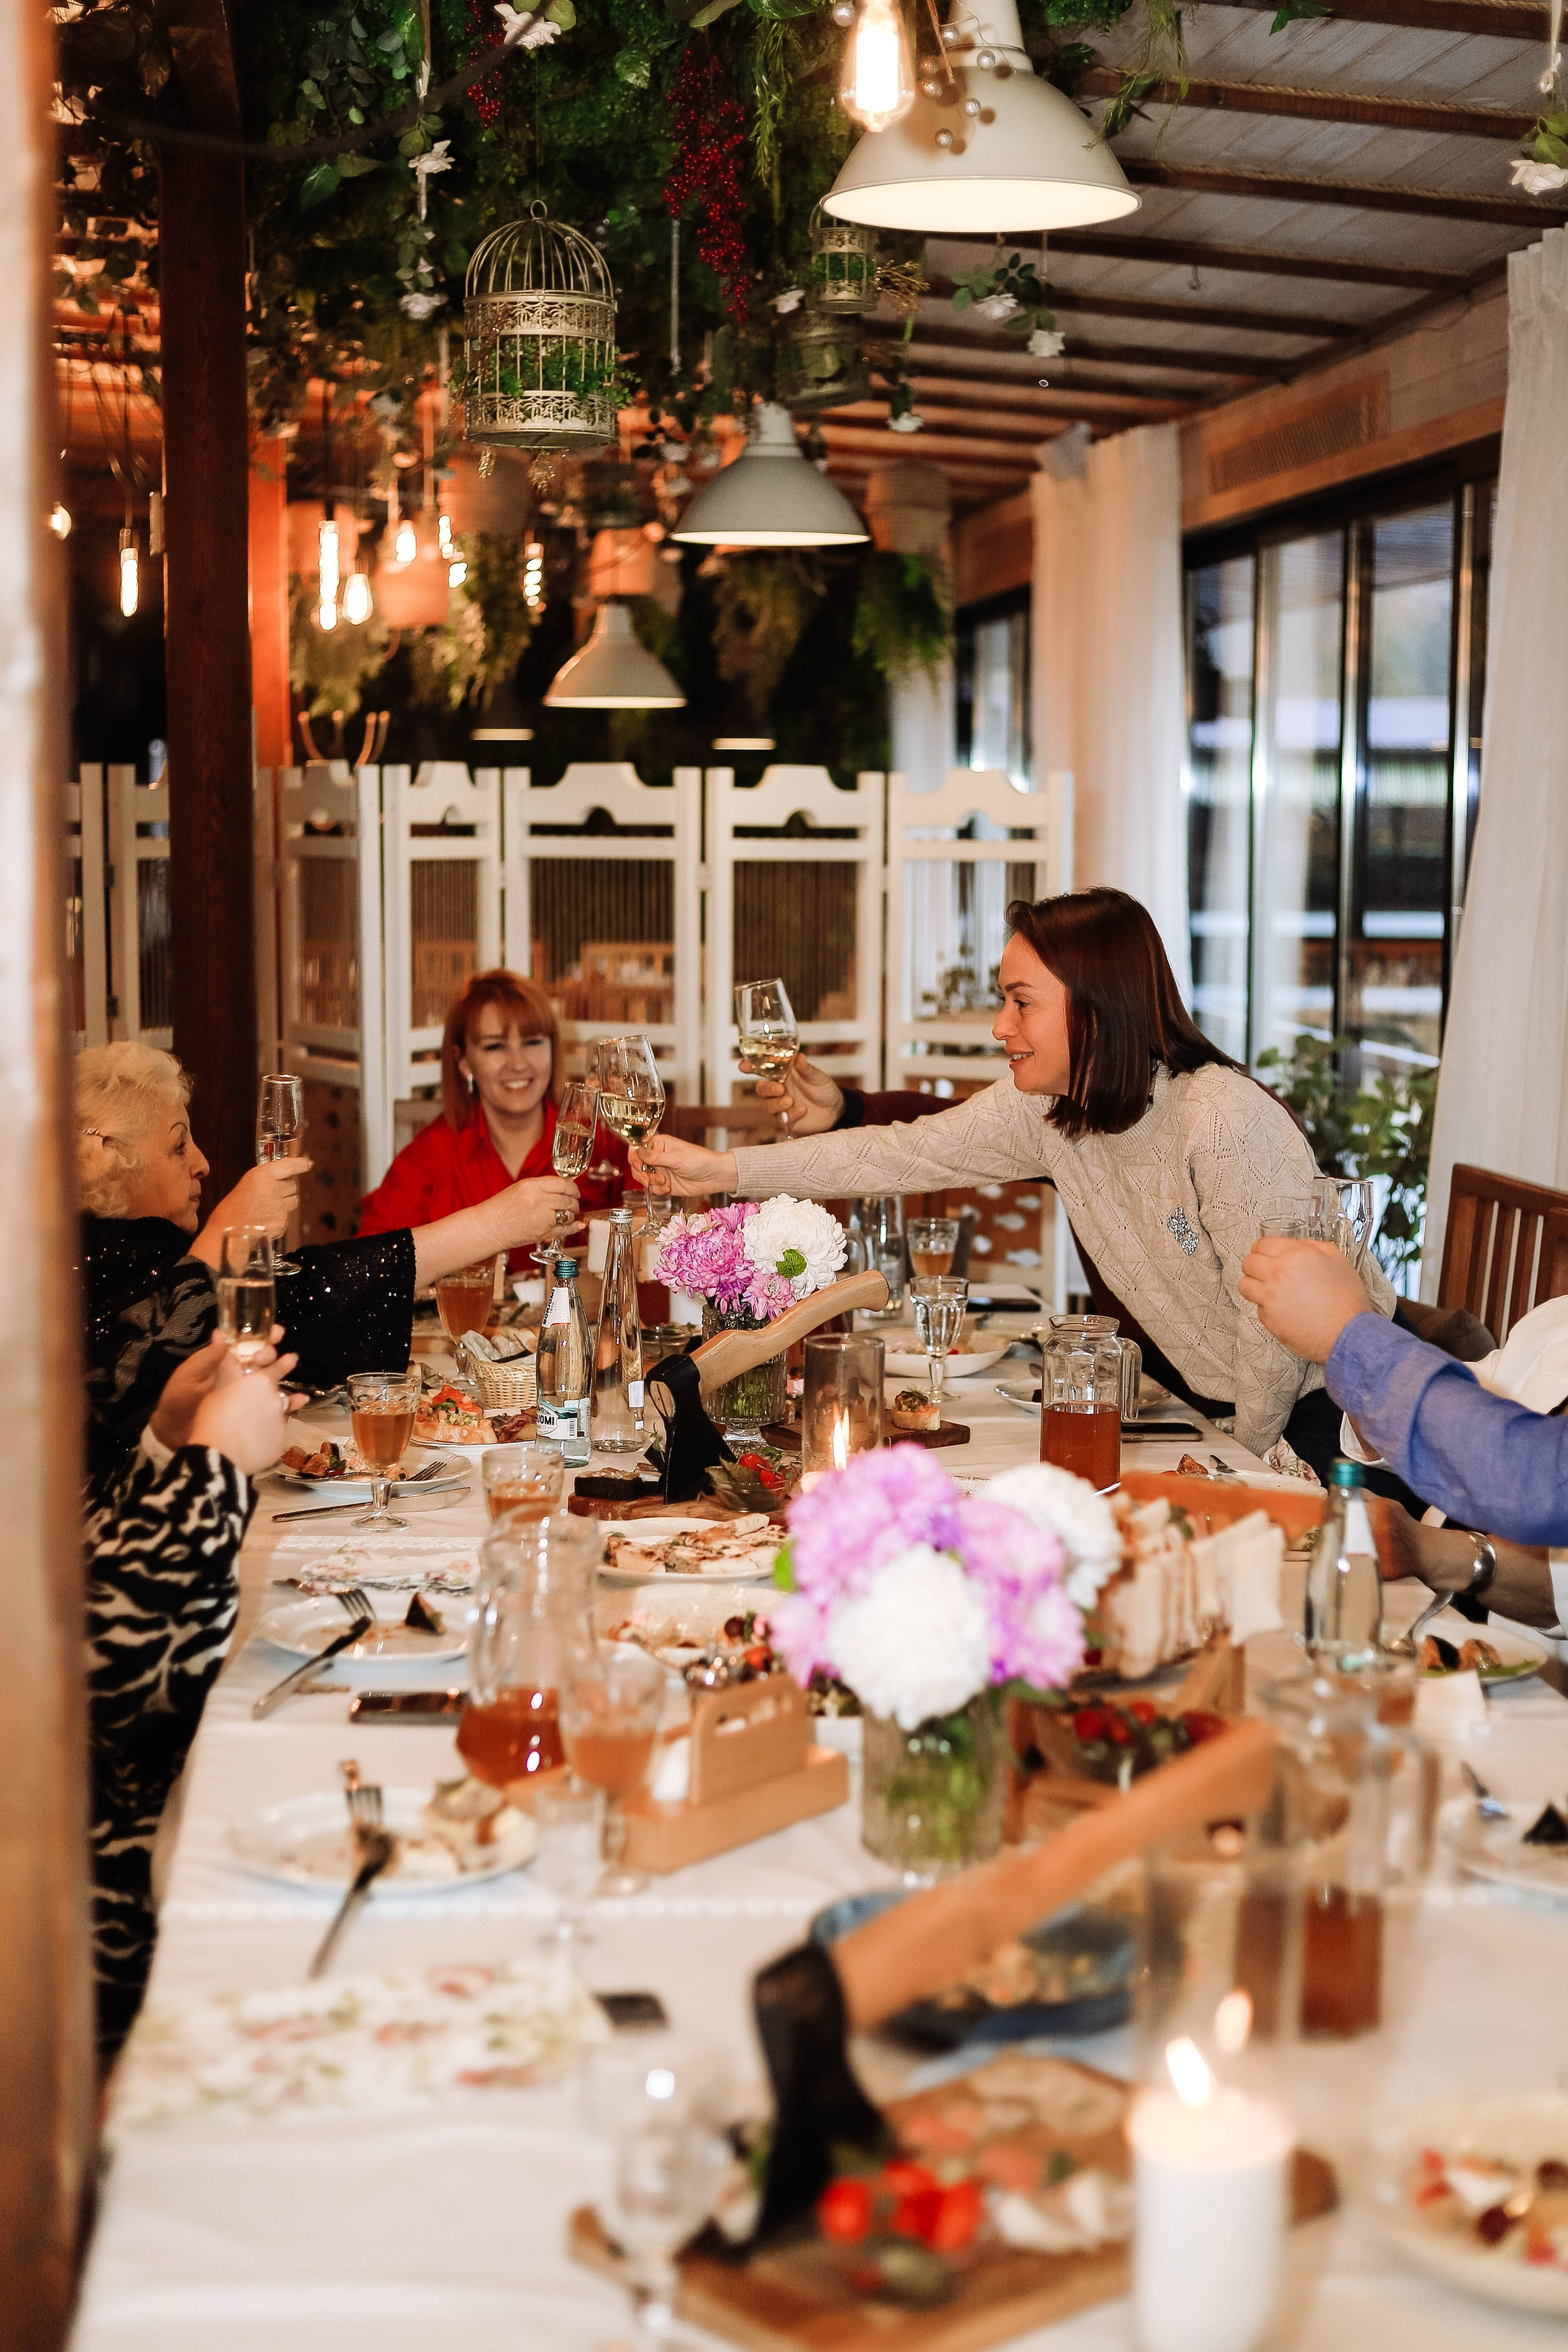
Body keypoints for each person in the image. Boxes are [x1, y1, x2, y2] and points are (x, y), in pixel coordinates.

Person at [635, 888, 1397, 1469]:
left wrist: (1236, 1464)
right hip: (1204, 1415)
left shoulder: (1222, 1120)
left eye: (1020, 1002)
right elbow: (901, 1154)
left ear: (1096, 1009)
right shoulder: (1051, 1111)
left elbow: (1274, 1335)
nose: (1001, 1026)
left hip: (1332, 1422)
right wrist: (726, 1170)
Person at [77, 1042, 579, 1494]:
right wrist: (224, 1239)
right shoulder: (85, 1269)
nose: (202, 1163)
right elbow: (149, 1360)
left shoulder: (133, 1253)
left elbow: (296, 1293)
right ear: (115, 1159)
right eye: (179, 1144)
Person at [88, 1336, 304, 2064]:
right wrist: (211, 1468)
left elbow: (65, 1549)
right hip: (73, 1924)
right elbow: (101, 1667)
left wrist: (167, 1442)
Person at [1239, 1234, 1568, 1554]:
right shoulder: (1552, 1320)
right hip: (1439, 1572)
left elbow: (1540, 1478)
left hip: (1296, 1406)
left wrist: (1348, 1334)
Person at [358, 968, 628, 1265]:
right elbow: (369, 1265)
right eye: (495, 1046)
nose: (518, 1064)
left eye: (533, 1041)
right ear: (463, 1061)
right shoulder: (433, 1153)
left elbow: (653, 1245)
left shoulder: (599, 1144)